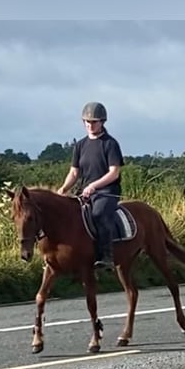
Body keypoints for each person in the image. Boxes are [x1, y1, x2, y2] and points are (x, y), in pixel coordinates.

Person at [57, 101, 124, 271]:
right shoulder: (80, 145)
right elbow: (74, 173)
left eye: (94, 122)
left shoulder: (110, 143)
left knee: (98, 214)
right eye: (87, 122)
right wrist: (63, 189)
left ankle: (106, 257)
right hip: (85, 191)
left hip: (107, 192)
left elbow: (114, 172)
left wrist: (94, 186)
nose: (90, 125)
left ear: (102, 122)